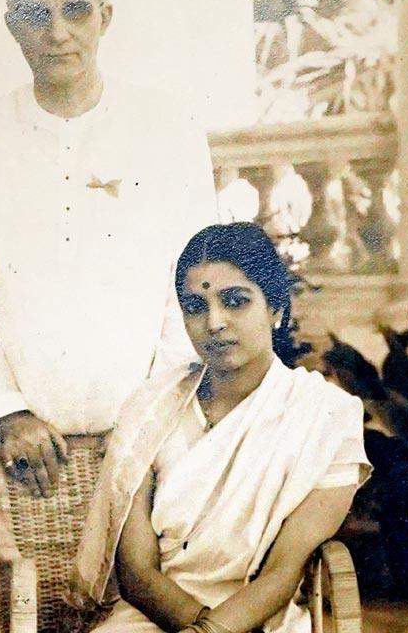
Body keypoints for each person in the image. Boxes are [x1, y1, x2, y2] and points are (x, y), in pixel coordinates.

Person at [0, 0, 216, 496]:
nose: (58, 32)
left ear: (105, 18)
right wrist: (7, 414)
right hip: (27, 453)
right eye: (37, 15)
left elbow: (199, 282)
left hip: (162, 438)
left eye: (76, 10)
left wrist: (157, 412)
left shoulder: (168, 129)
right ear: (13, 27)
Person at [72, 223, 371, 633]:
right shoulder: (151, 408)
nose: (214, 322)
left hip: (260, 619)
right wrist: (197, 626)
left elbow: (282, 573)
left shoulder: (327, 417)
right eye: (196, 306)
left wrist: (213, 631)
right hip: (152, 617)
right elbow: (137, 573)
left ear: (276, 310)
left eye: (235, 301)